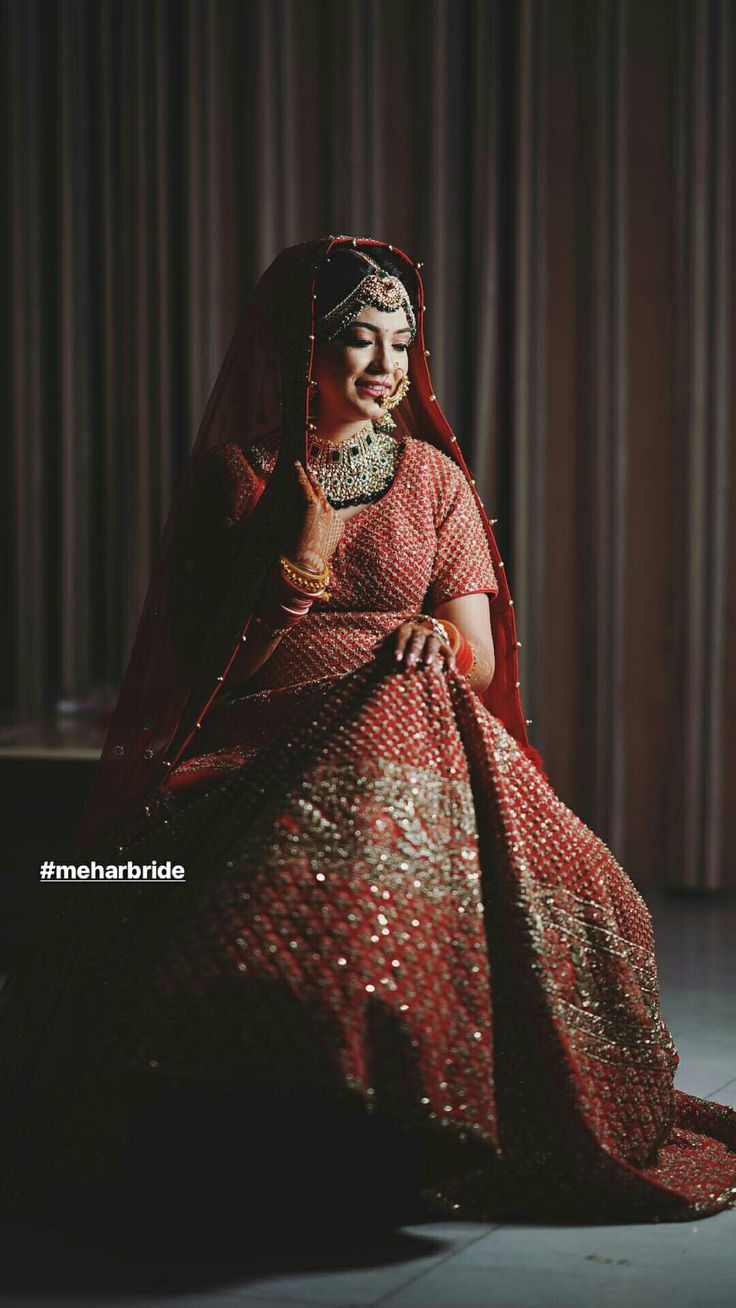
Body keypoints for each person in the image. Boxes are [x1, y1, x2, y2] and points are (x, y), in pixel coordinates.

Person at [0, 235, 735, 1241]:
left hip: (421, 727)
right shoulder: (239, 474)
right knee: (156, 862)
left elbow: (473, 657)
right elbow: (208, 675)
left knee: (415, 689)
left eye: (401, 343)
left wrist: (435, 632)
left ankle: (422, 1101)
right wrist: (297, 569)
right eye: (360, 342)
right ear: (301, 352)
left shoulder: (433, 481)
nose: (387, 365)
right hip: (265, 739)